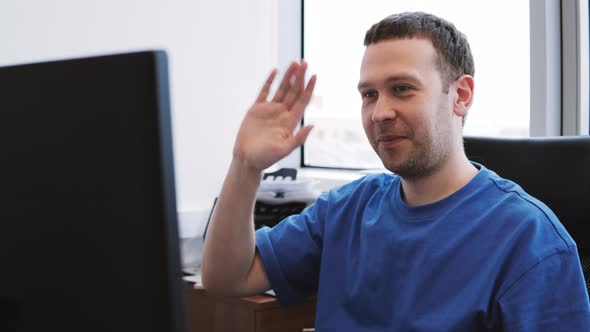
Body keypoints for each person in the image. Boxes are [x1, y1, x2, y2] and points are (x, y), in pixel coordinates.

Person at [201, 11, 590, 331]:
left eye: (402, 88)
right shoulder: (348, 208)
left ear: (461, 95)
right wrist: (245, 165)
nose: (380, 112)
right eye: (369, 94)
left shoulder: (531, 241)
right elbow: (227, 277)